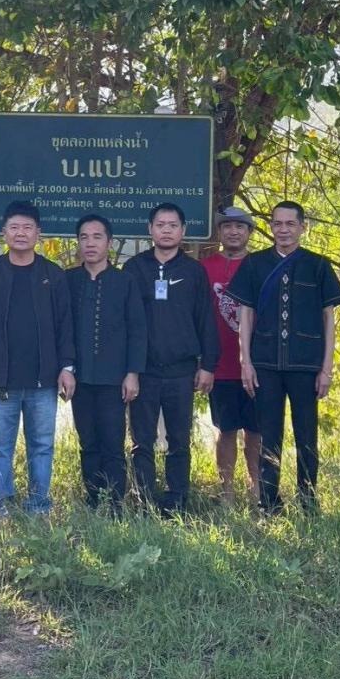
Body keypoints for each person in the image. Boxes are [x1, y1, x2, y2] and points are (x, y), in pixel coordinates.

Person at [228, 201, 340, 515]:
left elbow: (328, 319)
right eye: (277, 224)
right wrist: (246, 362)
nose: (283, 230)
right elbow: (245, 315)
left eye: (290, 224)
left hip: (306, 365)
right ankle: (269, 502)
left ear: (302, 227)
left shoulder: (318, 265)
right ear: (271, 227)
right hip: (265, 363)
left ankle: (308, 501)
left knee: (307, 435)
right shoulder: (254, 264)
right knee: (268, 435)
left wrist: (326, 369)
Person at [0, 201, 75, 516]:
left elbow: (65, 326)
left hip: (44, 381)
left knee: (42, 447)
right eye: (14, 227)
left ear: (38, 233)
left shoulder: (52, 275)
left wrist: (67, 367)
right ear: (4, 233)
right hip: (2, 382)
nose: (21, 233)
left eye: (27, 227)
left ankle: (39, 505)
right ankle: (0, 504)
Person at [125, 202, 218, 515]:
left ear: (183, 230)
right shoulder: (134, 268)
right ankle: (144, 501)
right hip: (144, 370)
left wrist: (207, 365)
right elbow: (125, 321)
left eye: (173, 225)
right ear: (150, 229)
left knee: (179, 440)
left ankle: (177, 501)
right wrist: (129, 369)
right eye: (160, 225)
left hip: (181, 371)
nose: (166, 231)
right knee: (142, 441)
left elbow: (205, 320)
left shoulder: (194, 271)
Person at [66, 214, 146, 514]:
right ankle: (93, 500)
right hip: (80, 378)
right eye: (84, 237)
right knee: (88, 442)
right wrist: (65, 368)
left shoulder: (125, 281)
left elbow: (137, 329)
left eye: (97, 237)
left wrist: (132, 373)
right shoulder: (68, 280)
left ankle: (115, 504)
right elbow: (61, 328)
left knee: (113, 443)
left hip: (114, 378)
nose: (90, 243)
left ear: (109, 243)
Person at [201, 206, 261, 504]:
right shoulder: (205, 267)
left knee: (256, 431)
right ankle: (226, 492)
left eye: (240, 227)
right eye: (227, 226)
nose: (233, 232)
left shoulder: (261, 265)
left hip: (257, 365)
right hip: (220, 364)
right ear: (220, 232)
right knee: (226, 430)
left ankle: (257, 490)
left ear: (249, 232)